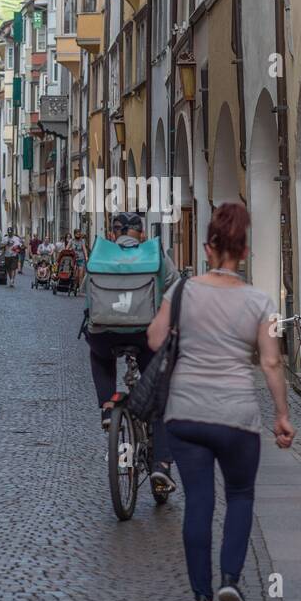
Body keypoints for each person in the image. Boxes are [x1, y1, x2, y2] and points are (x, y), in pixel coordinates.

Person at [147, 201, 294, 601]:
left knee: (199, 503)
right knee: (241, 495)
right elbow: (271, 363)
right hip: (236, 416)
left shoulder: (181, 290)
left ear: (208, 248)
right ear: (244, 253)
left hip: (186, 412)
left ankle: (201, 599)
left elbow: (155, 339)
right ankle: (230, 578)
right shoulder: (260, 302)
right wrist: (282, 416)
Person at [85, 212, 179, 494]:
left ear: (113, 234)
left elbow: (85, 290)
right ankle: (161, 466)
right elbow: (173, 289)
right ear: (141, 234)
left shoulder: (99, 254)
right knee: (161, 396)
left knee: (99, 353)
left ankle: (106, 406)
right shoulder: (156, 256)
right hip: (145, 335)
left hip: (105, 332)